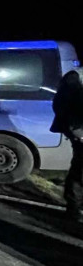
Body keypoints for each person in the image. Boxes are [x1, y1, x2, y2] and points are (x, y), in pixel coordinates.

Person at [51, 69, 83, 223]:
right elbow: (63, 105)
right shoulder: (75, 77)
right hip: (80, 133)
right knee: (79, 172)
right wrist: (78, 133)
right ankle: (74, 209)